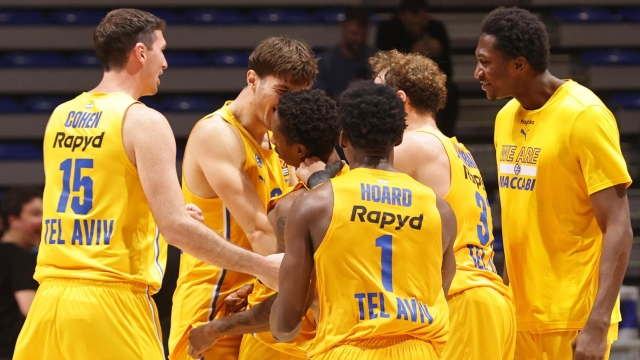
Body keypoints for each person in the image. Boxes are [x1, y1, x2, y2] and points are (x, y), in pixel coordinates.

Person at [13, 9, 282, 360]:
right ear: (141, 53)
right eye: (161, 50)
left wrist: (155, 213)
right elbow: (178, 231)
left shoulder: (60, 115)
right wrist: (262, 266)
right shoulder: (143, 121)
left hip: (50, 302)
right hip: (111, 301)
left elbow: (95, 199)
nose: (166, 62)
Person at [475, 7, 633, 360]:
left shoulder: (585, 116)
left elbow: (619, 226)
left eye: (486, 62)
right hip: (519, 315)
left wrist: (597, 322)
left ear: (518, 64)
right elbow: (521, 217)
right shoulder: (504, 120)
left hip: (572, 318)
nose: (478, 73)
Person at [270, 81, 457, 359]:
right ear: (398, 138)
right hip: (421, 350)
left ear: (342, 138)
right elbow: (440, 287)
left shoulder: (314, 205)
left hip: (347, 350)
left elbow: (285, 325)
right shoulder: (440, 210)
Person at [168, 37, 318, 360]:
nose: (290, 106)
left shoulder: (279, 144)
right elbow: (260, 232)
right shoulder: (219, 134)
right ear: (252, 80)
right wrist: (309, 291)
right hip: (211, 307)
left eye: (299, 97)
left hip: (252, 305)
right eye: (283, 92)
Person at [370, 49, 516, 359]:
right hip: (488, 300)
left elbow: (350, 190)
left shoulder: (413, 145)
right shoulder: (455, 148)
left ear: (399, 99)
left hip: (463, 298)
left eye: (376, 94)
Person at [186, 89, 344, 359]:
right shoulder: (358, 189)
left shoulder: (292, 208)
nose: (274, 148)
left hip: (282, 349)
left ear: (299, 150)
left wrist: (216, 329)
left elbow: (292, 301)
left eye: (277, 140)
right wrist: (256, 286)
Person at [375, 0, 458, 137]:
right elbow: (383, 63)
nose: (418, 19)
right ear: (403, 14)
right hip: (397, 80)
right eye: (413, 13)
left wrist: (435, 52)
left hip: (429, 81)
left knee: (451, 90)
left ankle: (444, 135)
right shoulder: (389, 29)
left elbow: (447, 71)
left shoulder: (436, 29)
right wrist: (413, 51)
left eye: (421, 13)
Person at [0, 187, 42, 360]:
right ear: (13, 220)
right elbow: (30, 308)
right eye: (35, 214)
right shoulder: (18, 257)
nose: (44, 221)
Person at [314, 7, 377, 101]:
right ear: (343, 27)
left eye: (363, 35)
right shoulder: (325, 63)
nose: (359, 39)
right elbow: (319, 103)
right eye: (354, 34)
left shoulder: (376, 59)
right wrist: (347, 94)